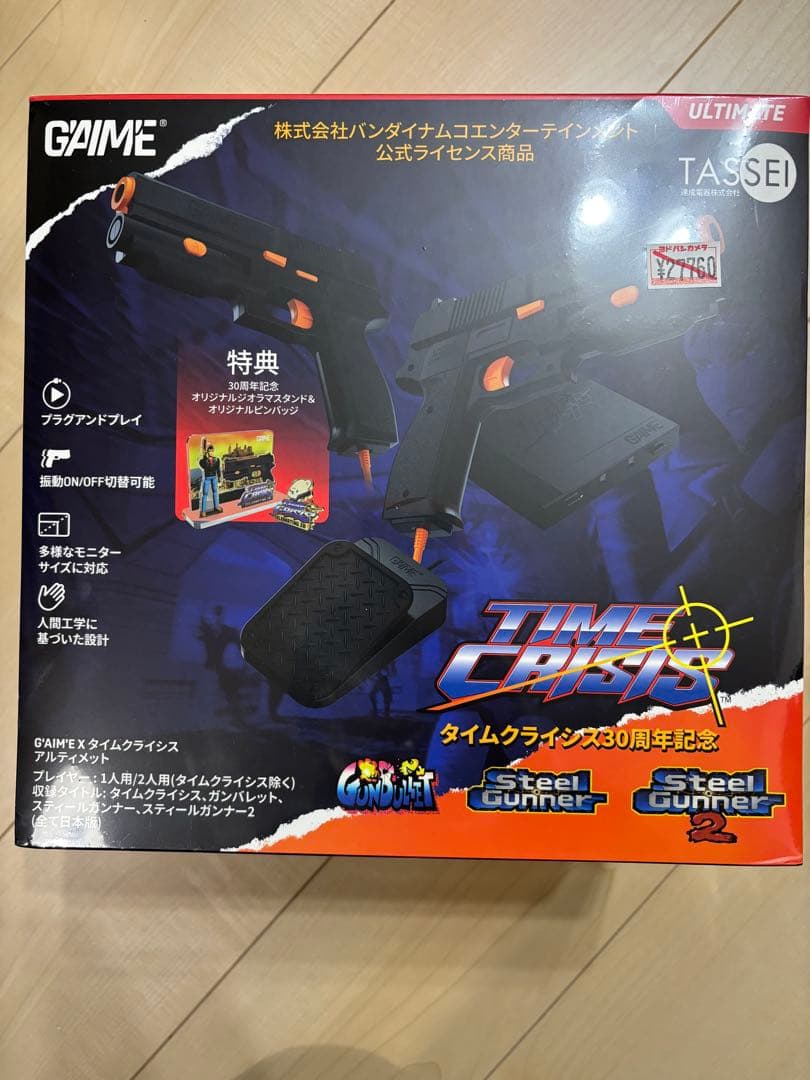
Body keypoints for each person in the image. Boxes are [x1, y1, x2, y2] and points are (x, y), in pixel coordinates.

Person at [198, 445, 223, 516]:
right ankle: (203, 511)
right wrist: (204, 456)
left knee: (215, 492)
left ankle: (216, 506)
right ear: (207, 452)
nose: (211, 452)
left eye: (212, 451)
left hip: (214, 477)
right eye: (209, 451)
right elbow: (201, 464)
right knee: (205, 494)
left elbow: (218, 469)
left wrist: (219, 477)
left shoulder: (217, 460)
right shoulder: (204, 461)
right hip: (207, 478)